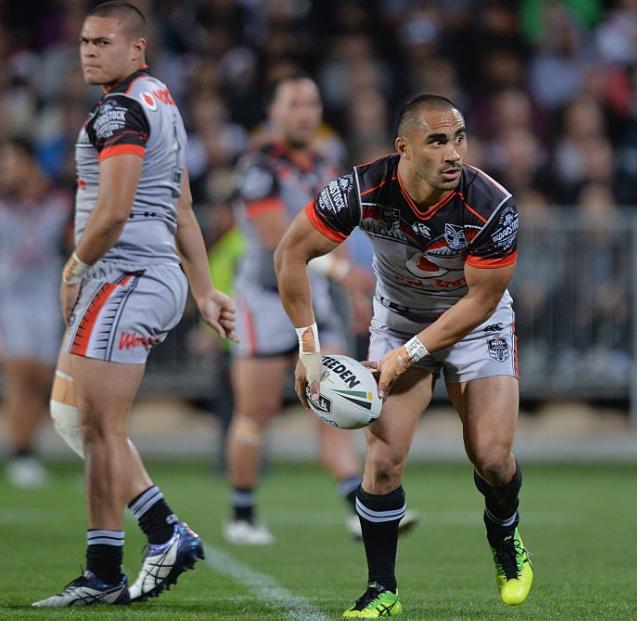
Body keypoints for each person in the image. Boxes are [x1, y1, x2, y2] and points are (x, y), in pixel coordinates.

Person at [274, 94, 532, 617]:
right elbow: (291, 253)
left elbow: (481, 301)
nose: (453, 152)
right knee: (384, 460)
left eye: (459, 138)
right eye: (437, 141)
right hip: (397, 319)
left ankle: (505, 538)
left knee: (492, 458)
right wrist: (309, 352)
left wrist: (406, 356)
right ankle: (381, 589)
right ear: (404, 148)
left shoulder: (493, 205)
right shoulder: (361, 189)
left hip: (476, 326)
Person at [33, 2, 237, 607]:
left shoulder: (120, 110)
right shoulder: (160, 102)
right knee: (77, 417)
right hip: (144, 275)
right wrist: (202, 290)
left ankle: (108, 569)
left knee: (100, 427)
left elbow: (116, 211)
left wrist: (73, 267)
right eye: (84, 42)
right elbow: (179, 206)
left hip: (126, 276)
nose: (89, 51)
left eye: (102, 41)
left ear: (137, 48)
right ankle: (160, 533)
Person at [224, 74, 415, 544]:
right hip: (266, 299)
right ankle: (242, 513)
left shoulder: (326, 162)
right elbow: (278, 241)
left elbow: (338, 235)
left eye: (311, 103)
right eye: (294, 104)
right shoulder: (258, 166)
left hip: (312, 299)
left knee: (335, 399)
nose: (305, 113)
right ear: (274, 112)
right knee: (258, 410)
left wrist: (349, 288)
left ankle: (356, 505)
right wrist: (340, 275)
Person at [0, 139, 71, 488]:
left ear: (29, 164)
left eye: (10, 162)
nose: (5, 170)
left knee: (41, 380)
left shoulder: (58, 202)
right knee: (19, 375)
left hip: (45, 298)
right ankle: (20, 453)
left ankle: (29, 449)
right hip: (9, 300)